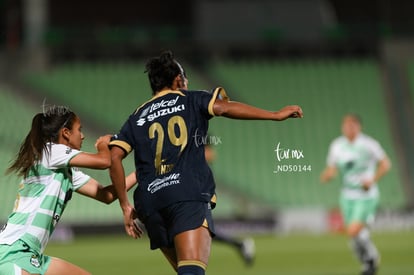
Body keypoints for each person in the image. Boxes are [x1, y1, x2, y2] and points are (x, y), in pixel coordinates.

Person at [109, 50, 303, 275]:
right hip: (186, 194)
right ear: (178, 80)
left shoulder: (137, 116)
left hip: (150, 203)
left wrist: (124, 206)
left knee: (187, 271)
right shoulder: (191, 99)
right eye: (185, 78)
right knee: (192, 272)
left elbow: (114, 156)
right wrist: (275, 115)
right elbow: (224, 107)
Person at [0, 106, 141, 275]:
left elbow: (107, 195)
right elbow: (104, 161)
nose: (83, 135)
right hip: (14, 250)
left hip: (26, 252)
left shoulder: (65, 171)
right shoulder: (51, 151)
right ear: (66, 133)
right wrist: (104, 144)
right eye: (79, 130)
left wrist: (142, 172)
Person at [320, 114, 391, 275]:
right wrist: (328, 175)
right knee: (353, 237)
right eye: (346, 125)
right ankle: (367, 264)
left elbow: (386, 164)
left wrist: (372, 179)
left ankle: (373, 256)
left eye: (352, 125)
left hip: (365, 196)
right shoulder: (337, 145)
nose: (349, 128)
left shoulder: (369, 144)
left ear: (359, 127)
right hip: (347, 196)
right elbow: (332, 167)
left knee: (353, 231)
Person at [204, 141, 255, 266]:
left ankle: (240, 244)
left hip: (201, 193)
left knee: (205, 229)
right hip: (198, 192)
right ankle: (240, 245)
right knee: (206, 229)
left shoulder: (200, 149)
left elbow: (210, 156)